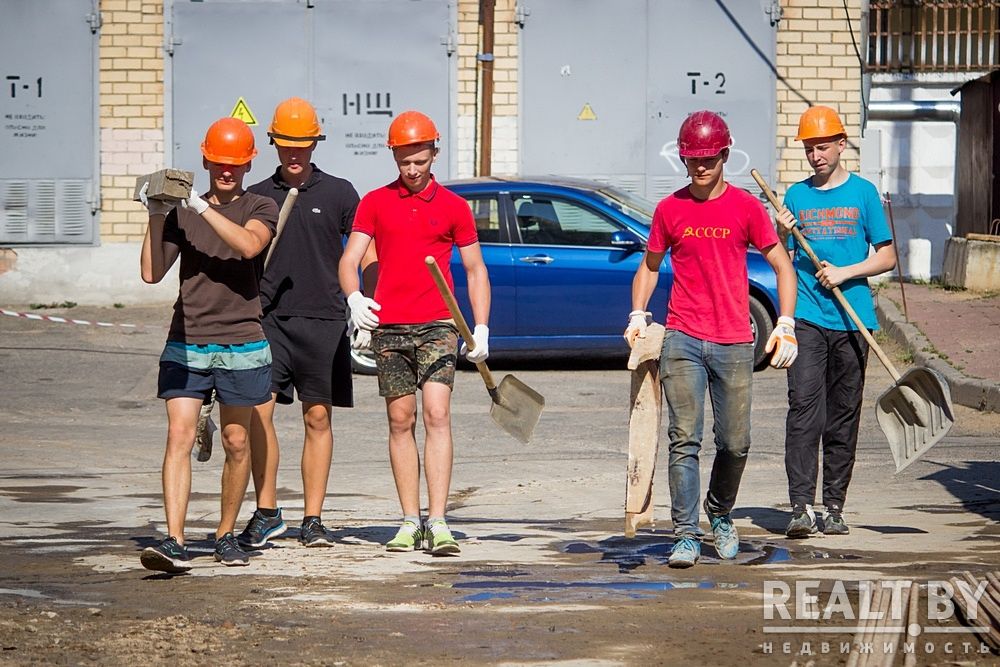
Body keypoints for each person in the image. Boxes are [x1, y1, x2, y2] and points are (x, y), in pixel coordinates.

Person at [625, 110, 798, 568]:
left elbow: (783, 265)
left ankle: (719, 512)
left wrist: (785, 323)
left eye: (707, 159)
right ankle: (684, 534)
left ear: (724, 154)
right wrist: (638, 313)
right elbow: (649, 265)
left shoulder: (745, 208)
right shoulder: (670, 209)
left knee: (735, 442)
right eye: (691, 159)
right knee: (684, 439)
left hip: (735, 340)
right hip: (682, 337)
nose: (699, 167)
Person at [338, 110, 491, 556]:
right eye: (404, 161)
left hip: (438, 325)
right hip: (390, 328)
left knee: (437, 415)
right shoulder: (375, 202)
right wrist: (354, 298)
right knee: (400, 420)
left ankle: (439, 522)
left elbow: (476, 269)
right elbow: (350, 260)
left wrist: (481, 326)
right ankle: (409, 521)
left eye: (419, 160)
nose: (411, 170)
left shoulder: (454, 208)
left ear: (434, 154)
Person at [138, 117, 278, 572]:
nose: (226, 171)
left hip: (241, 342)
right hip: (187, 340)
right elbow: (151, 272)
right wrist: (157, 214)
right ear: (206, 159)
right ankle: (175, 540)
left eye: (235, 164)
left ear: (248, 164)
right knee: (178, 435)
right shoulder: (182, 213)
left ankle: (224, 536)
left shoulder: (261, 205)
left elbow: (248, 247)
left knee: (238, 442)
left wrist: (197, 204)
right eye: (219, 163)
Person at [236, 97, 369, 549]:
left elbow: (365, 251)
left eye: (303, 145)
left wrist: (367, 301)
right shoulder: (256, 196)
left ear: (315, 143)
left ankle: (313, 519)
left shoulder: (340, 193)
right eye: (286, 145)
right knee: (258, 412)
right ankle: (267, 511)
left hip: (325, 319)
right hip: (268, 319)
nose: (295, 154)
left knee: (317, 418)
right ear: (273, 142)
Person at [776, 105, 896, 538]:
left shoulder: (864, 194)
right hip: (808, 316)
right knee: (804, 412)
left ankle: (834, 507)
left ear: (841, 144)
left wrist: (845, 273)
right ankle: (800, 507)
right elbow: (784, 261)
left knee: (843, 416)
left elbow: (887, 256)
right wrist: (784, 232)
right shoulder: (795, 197)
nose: (815, 156)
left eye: (822, 146)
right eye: (809, 149)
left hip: (853, 319)